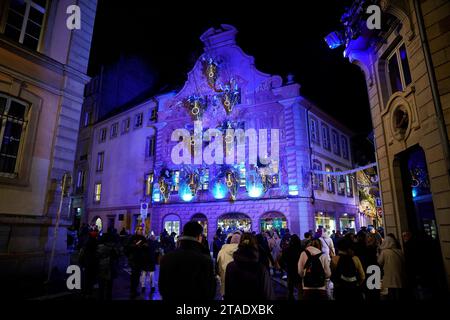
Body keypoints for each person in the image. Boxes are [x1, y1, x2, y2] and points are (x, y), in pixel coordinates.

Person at [159, 221, 216, 300]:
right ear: (199, 237)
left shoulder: (167, 258)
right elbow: (209, 291)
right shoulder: (205, 260)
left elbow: (162, 288)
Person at [224, 233, 275, 300]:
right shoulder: (260, 269)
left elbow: (228, 292)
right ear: (255, 246)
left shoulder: (230, 267)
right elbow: (268, 294)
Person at [377, 234, 407, 300]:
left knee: (392, 294)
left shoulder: (384, 252)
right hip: (400, 276)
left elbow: (379, 262)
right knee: (399, 294)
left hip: (390, 277)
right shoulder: (399, 251)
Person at [125, 226, 148, 299]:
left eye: (141, 230)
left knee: (138, 275)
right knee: (134, 275)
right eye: (139, 229)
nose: (140, 231)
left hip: (141, 259)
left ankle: (135, 289)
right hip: (133, 259)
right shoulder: (132, 238)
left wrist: (145, 246)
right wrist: (135, 246)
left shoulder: (143, 238)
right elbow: (128, 247)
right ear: (136, 230)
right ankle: (133, 290)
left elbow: (146, 248)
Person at [96, 232, 120, 300]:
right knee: (109, 286)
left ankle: (102, 297)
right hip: (110, 268)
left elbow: (97, 257)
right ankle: (107, 297)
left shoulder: (101, 247)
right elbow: (117, 257)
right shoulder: (114, 248)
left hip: (102, 268)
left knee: (102, 286)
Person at [217, 232, 241, 297]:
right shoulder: (244, 251)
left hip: (225, 287)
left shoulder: (221, 252)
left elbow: (218, 270)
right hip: (241, 287)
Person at [280, 234, 302, 300]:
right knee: (299, 284)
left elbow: (282, 260)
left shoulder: (287, 249)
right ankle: (299, 295)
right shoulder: (301, 249)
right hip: (299, 268)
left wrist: (284, 267)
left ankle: (290, 295)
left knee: (290, 284)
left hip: (290, 268)